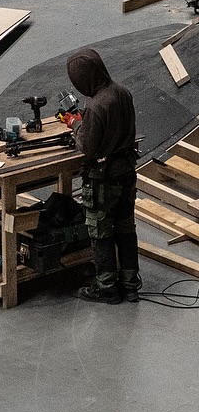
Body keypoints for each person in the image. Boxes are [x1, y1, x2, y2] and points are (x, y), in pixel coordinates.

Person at [67, 47, 140, 303]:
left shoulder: (97, 105)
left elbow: (87, 147)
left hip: (104, 180)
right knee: (126, 229)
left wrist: (76, 124)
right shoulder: (122, 92)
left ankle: (106, 287)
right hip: (127, 173)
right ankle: (130, 285)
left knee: (101, 232)